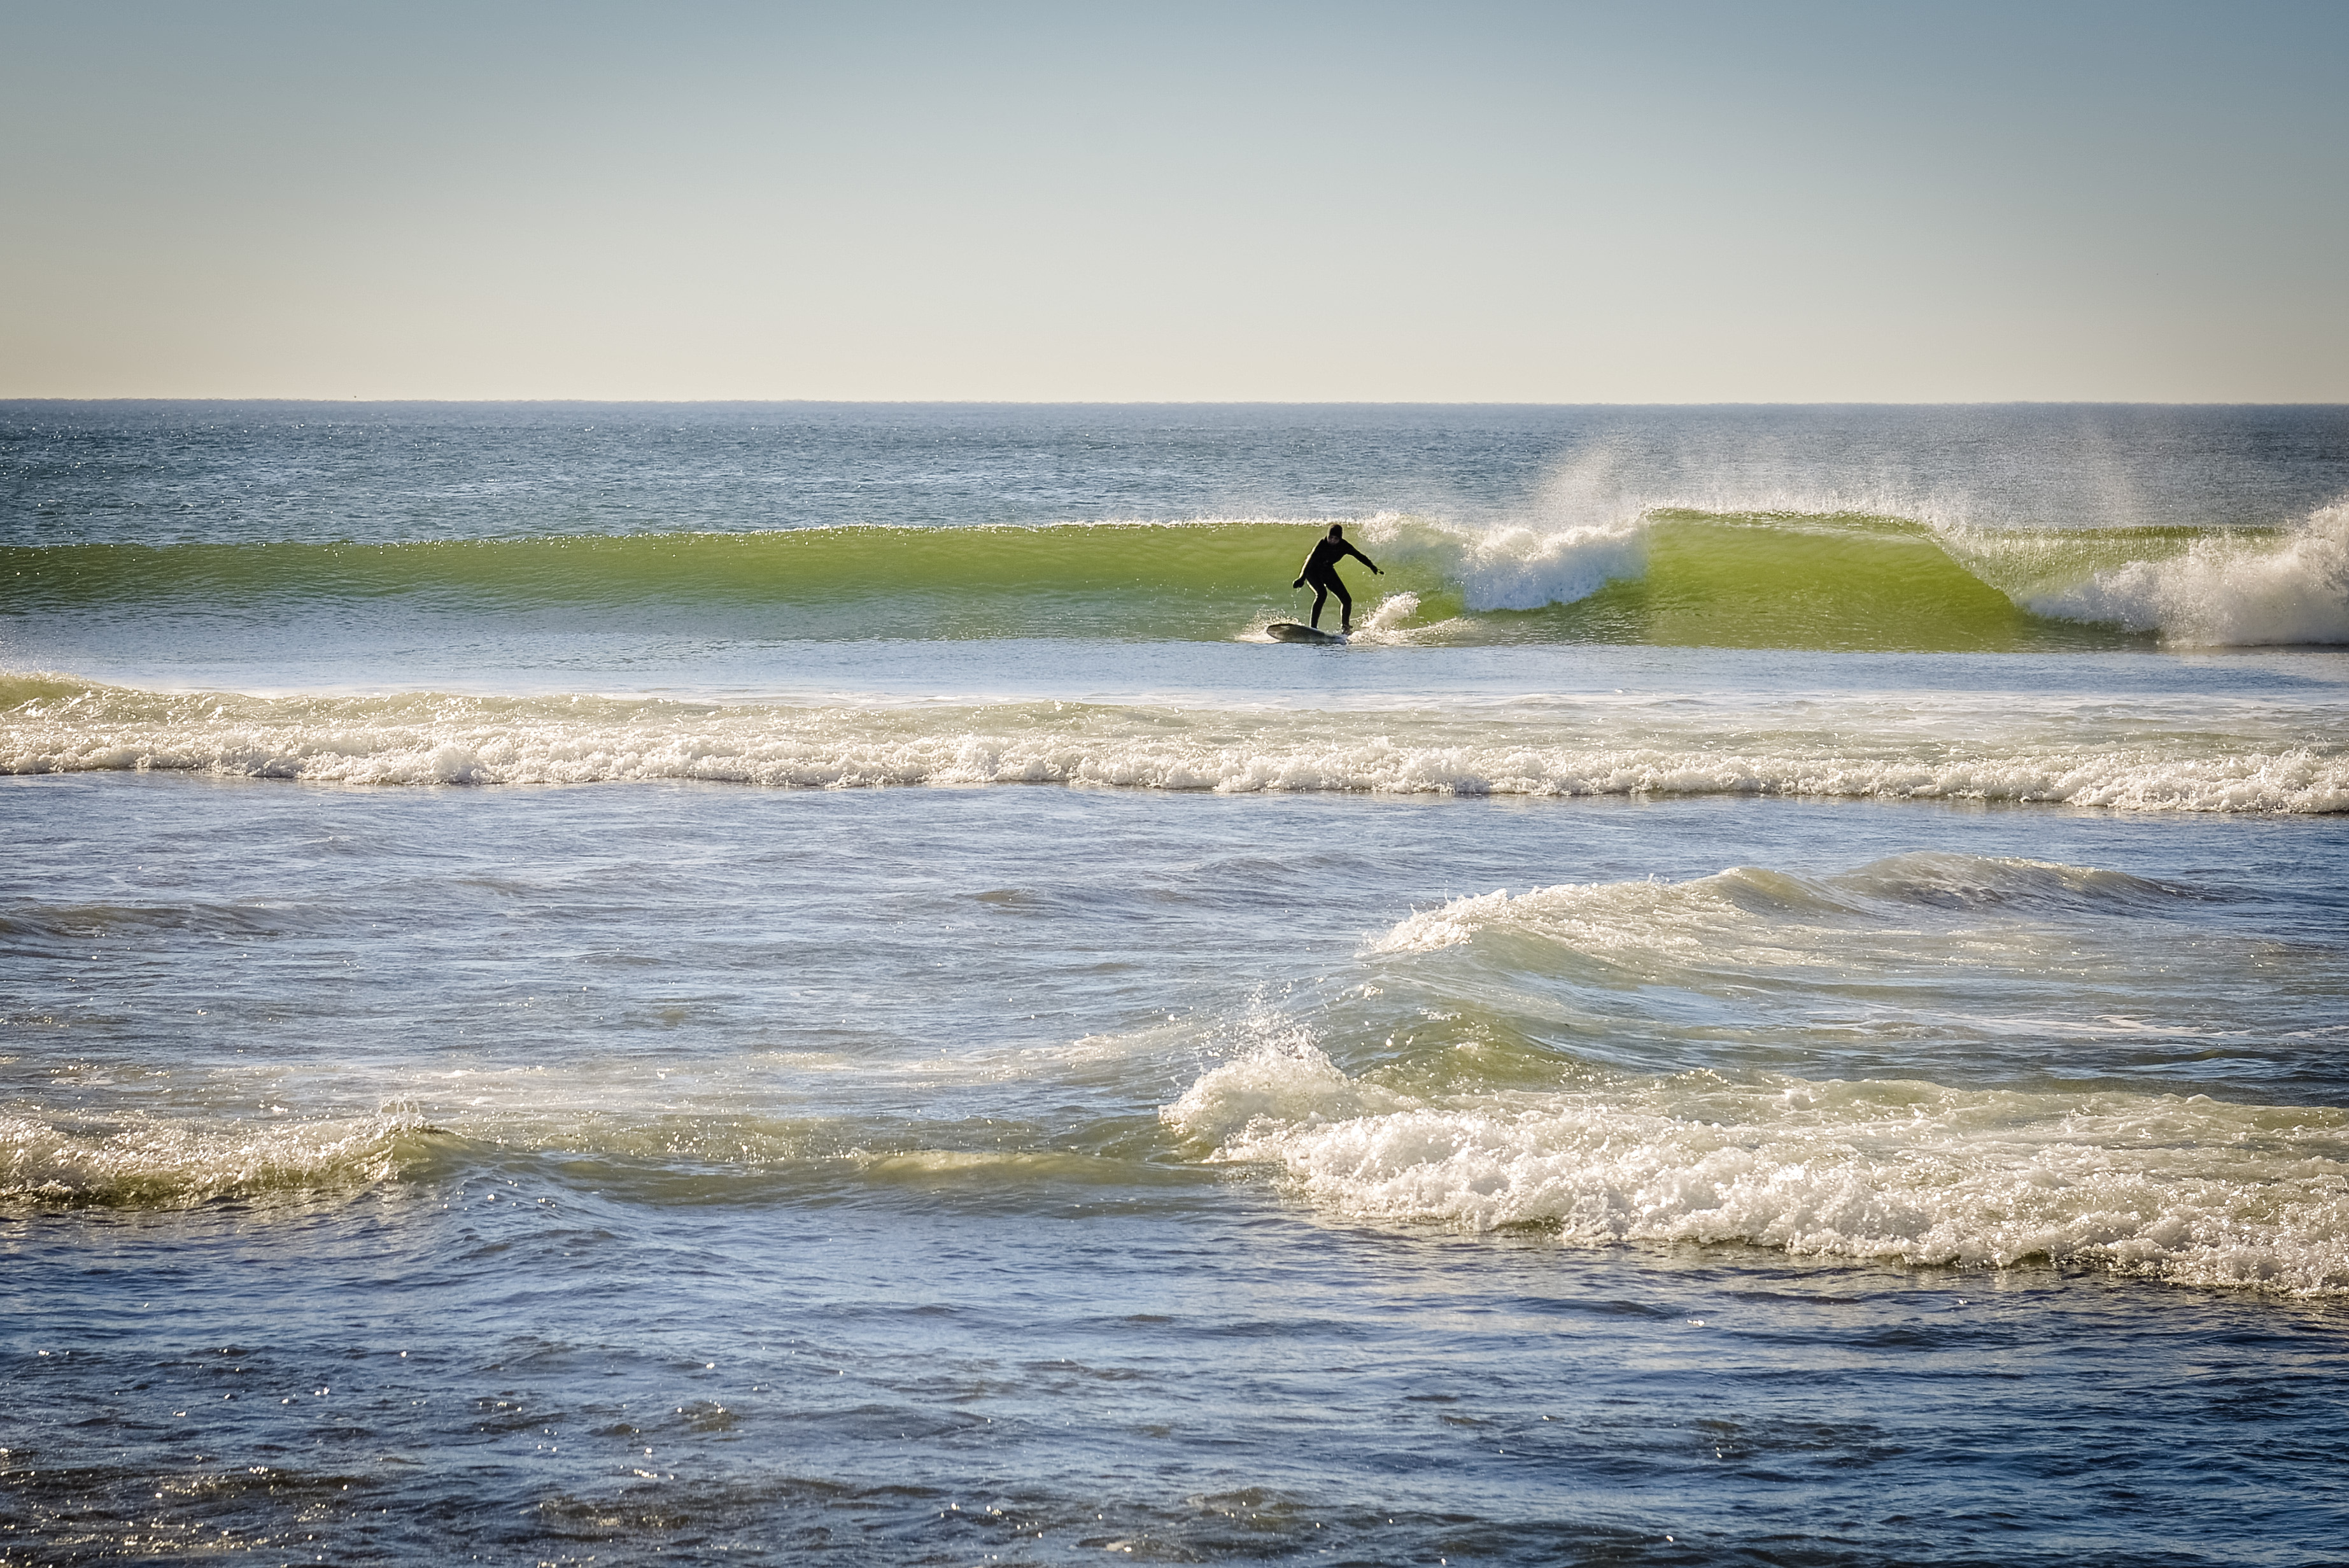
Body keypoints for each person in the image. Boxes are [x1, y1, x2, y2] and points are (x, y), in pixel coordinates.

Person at [1292, 523, 1382, 633]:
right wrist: (1302, 578)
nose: (1333, 540)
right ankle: (1313, 628)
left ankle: (1345, 628)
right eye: (1331, 537)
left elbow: (1359, 556)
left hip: (1327, 571)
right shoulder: (1322, 544)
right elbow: (1309, 560)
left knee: (1347, 600)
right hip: (1313, 571)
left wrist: (1371, 566)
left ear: (1340, 539)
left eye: (1336, 538)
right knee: (1322, 594)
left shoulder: (1344, 546)